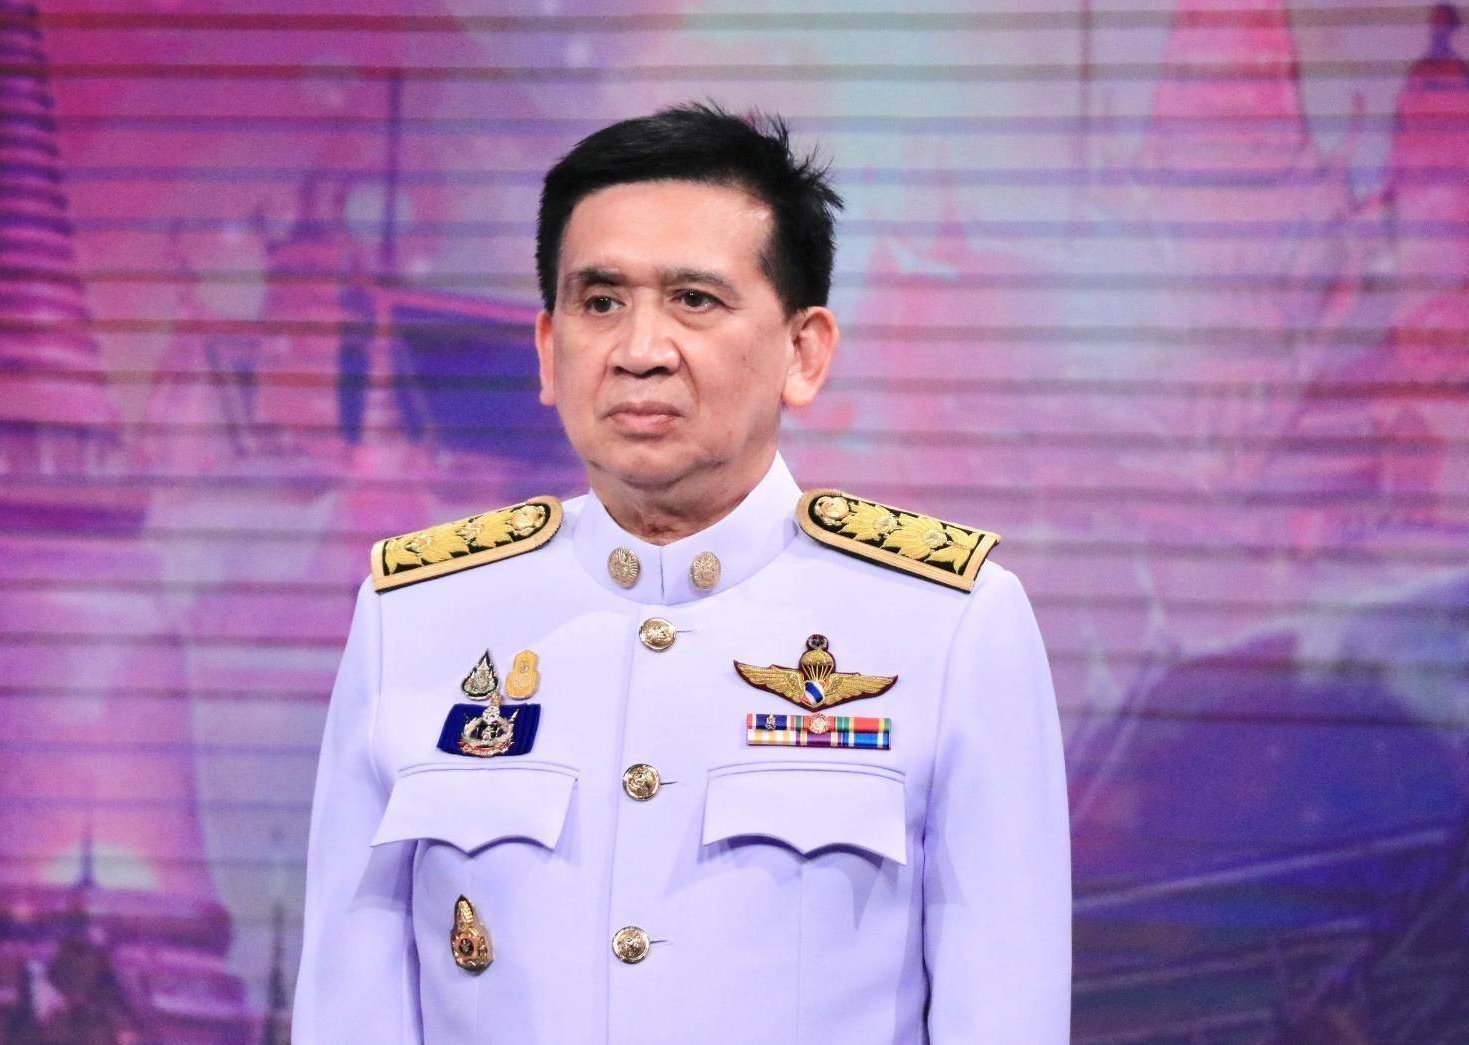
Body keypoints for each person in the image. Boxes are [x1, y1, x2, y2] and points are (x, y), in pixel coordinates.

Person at [293, 102, 1071, 1044]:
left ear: (803, 351)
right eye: (599, 302)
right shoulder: (417, 614)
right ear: (547, 350)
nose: (638, 352)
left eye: (694, 300)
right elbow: (351, 1002)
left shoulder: (948, 622)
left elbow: (1004, 1009)